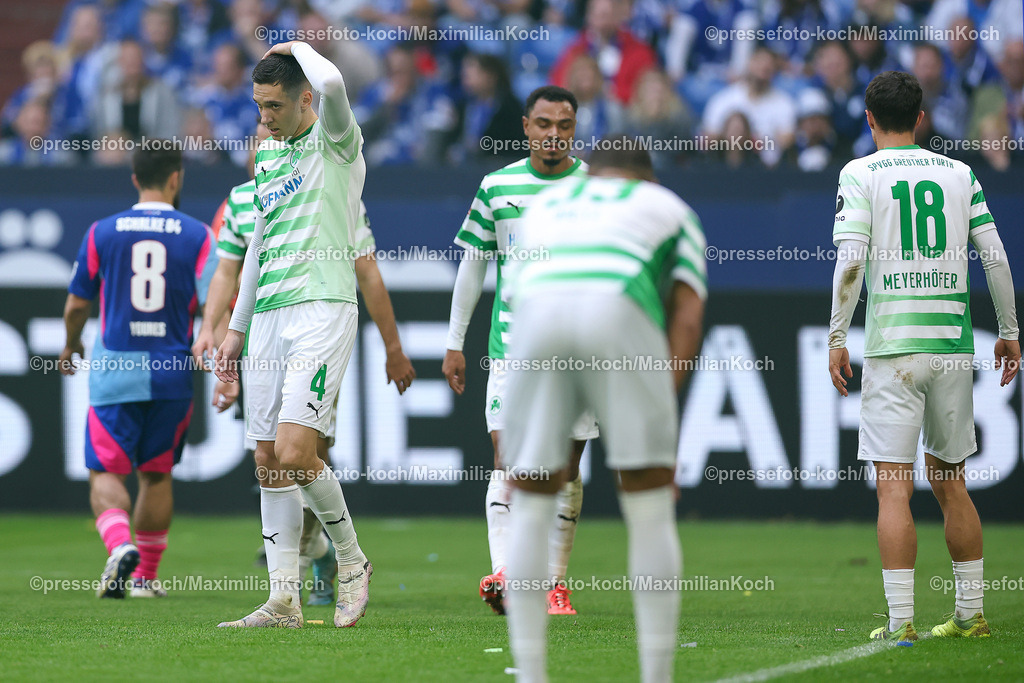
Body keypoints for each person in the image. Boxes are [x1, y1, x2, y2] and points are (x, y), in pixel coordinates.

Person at [501, 139, 706, 683]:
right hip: (617, 310)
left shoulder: (545, 206)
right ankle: (656, 676)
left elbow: (515, 298)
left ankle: (529, 673)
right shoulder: (670, 208)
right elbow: (686, 316)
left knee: (532, 497)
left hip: (535, 321)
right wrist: (663, 420)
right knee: (648, 503)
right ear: (648, 176)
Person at [828, 70, 1020, 641]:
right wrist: (1009, 329)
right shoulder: (960, 173)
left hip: (893, 348)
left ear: (868, 119)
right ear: (921, 118)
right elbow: (997, 257)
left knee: (893, 483)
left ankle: (901, 623)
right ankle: (971, 615)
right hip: (955, 346)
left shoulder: (859, 173)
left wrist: (838, 336)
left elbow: (851, 262)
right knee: (951, 481)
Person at [192, 127, 416, 607]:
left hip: (318, 319)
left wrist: (392, 346)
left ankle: (338, 556)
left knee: (307, 450)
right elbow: (227, 268)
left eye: (272, 117)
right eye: (256, 131)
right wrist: (217, 328)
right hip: (264, 329)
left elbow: (367, 269)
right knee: (271, 459)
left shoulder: (332, 188)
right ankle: (289, 591)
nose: (264, 138)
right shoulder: (241, 200)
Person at [213, 40, 370, 629]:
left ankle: (352, 561)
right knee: (267, 460)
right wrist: (235, 330)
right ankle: (284, 601)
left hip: (322, 307)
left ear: (304, 100)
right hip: (269, 319)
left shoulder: (336, 143)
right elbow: (257, 245)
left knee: (297, 452)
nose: (264, 118)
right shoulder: (269, 158)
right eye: (258, 106)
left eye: (274, 106)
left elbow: (333, 86)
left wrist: (298, 44)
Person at [442, 85, 596, 617]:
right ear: (526, 126)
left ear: (574, 128)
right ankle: (507, 575)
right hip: (512, 349)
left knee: (564, 470)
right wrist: (454, 342)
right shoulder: (497, 186)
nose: (554, 135)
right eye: (544, 124)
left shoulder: (595, 188)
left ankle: (554, 583)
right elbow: (473, 265)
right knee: (507, 462)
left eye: (565, 126)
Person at [59, 143, 217, 599]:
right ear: (176, 178)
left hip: (116, 369)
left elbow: (76, 304)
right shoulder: (199, 235)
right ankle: (146, 578)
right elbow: (214, 306)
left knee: (106, 469)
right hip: (171, 371)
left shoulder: (102, 232)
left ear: (134, 179)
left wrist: (70, 344)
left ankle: (119, 544)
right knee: (157, 473)